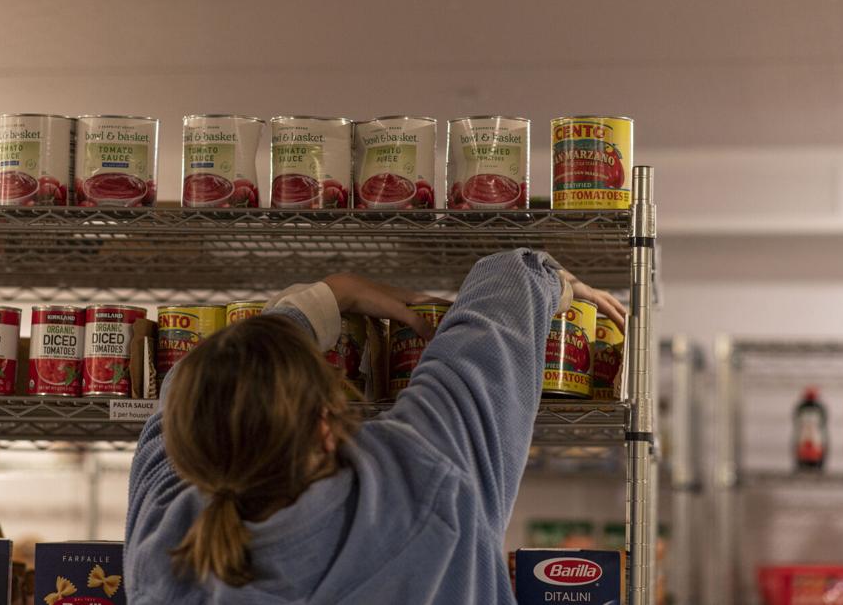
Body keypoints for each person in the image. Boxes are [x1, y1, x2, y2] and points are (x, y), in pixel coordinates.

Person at [125, 249, 626, 604]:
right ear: (325, 425)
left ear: (190, 452)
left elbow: (184, 397)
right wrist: (322, 300)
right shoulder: (423, 477)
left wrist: (317, 303)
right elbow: (501, 302)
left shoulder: (163, 546)